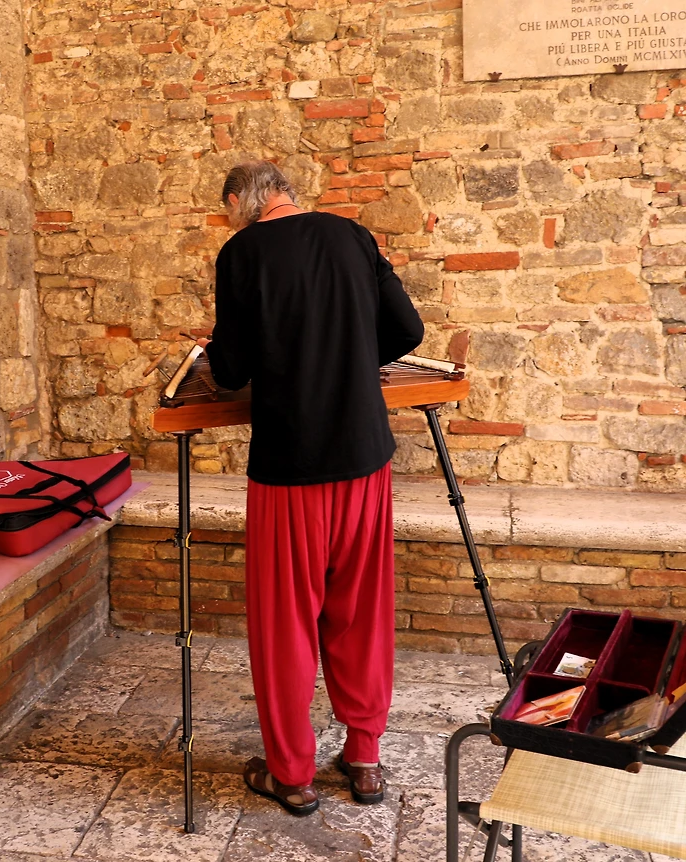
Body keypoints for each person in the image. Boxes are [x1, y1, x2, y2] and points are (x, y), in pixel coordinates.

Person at [202, 161, 424, 816]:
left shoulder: (242, 253)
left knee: (286, 622)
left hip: (289, 467)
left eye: (227, 209)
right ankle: (364, 759)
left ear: (241, 199)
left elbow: (230, 370)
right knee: (361, 611)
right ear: (286, 192)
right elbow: (407, 330)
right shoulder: (352, 235)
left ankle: (292, 775)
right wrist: (349, 358)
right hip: (364, 459)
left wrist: (223, 351)